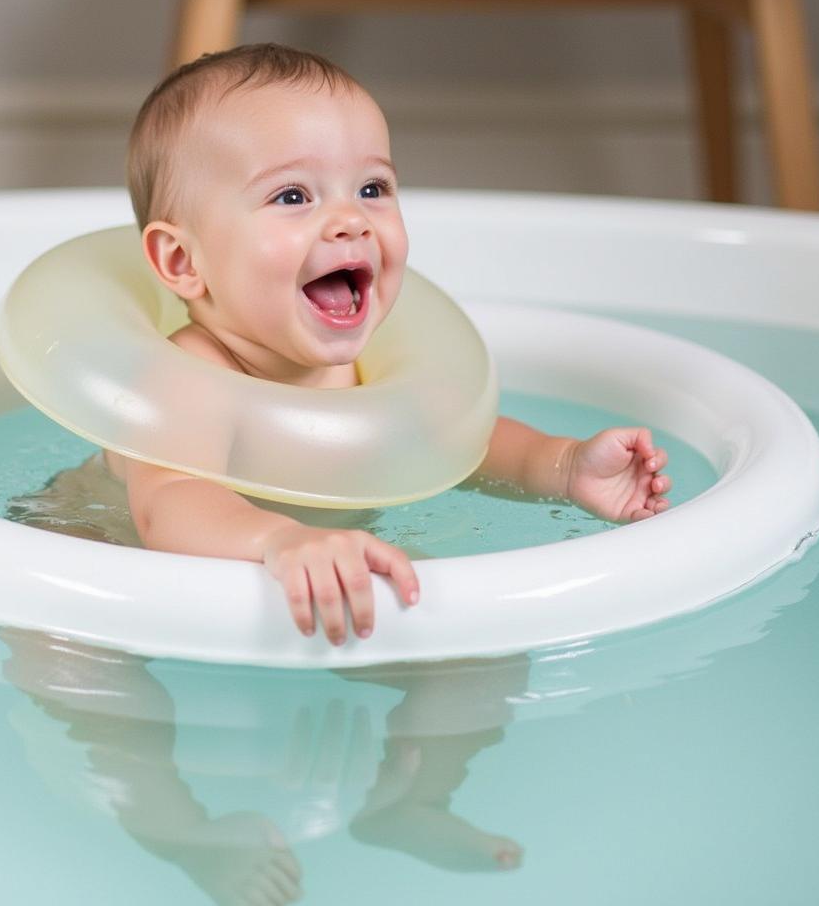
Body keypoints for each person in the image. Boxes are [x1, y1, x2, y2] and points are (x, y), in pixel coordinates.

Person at [104, 43, 671, 646]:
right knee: (75, 650)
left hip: (326, 552)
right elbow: (168, 501)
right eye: (292, 196)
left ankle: (429, 742)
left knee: (470, 643)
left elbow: (460, 445)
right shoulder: (190, 374)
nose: (352, 219)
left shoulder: (372, 372)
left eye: (373, 187)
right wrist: (278, 538)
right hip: (125, 558)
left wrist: (562, 465)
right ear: (183, 260)